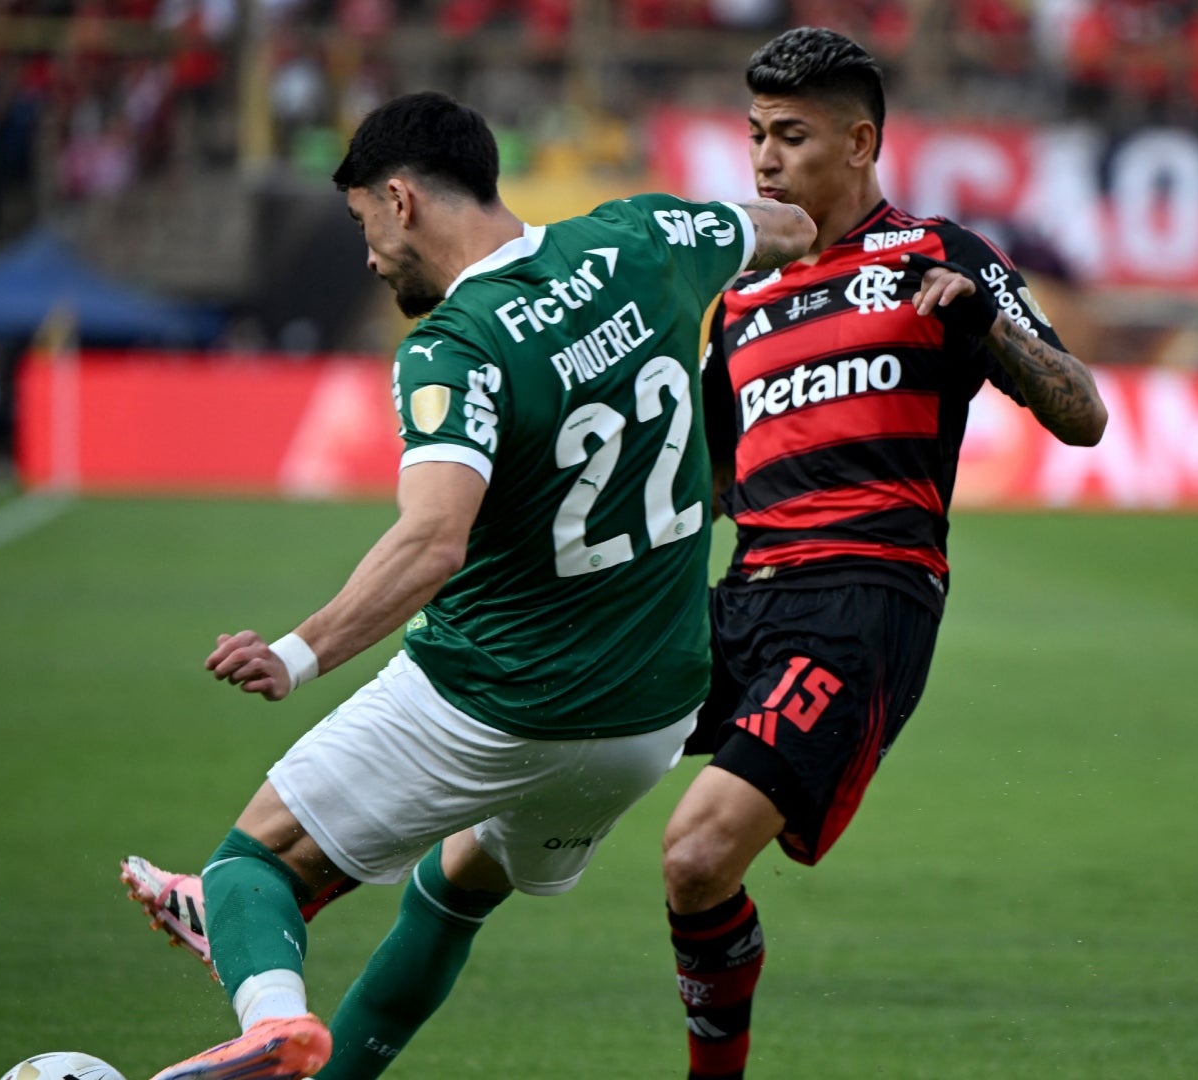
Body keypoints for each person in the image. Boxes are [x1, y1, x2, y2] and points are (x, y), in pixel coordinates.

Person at [128, 90, 815, 1080]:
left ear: (400, 200)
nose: (368, 256)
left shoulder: (458, 347)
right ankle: (283, 999)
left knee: (255, 859)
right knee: (461, 877)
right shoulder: (639, 237)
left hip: (498, 700)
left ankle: (271, 1014)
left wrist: (295, 651)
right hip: (647, 722)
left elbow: (431, 543)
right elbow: (788, 227)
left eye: (364, 222)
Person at [661, 28, 1108, 1080]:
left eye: (793, 136)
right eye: (756, 135)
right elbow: (710, 488)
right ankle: (282, 906)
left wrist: (987, 336)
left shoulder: (937, 255)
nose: (765, 160)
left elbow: (1083, 415)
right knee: (517, 771)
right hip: (739, 602)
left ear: (860, 142)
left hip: (860, 602)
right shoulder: (739, 297)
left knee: (695, 853)